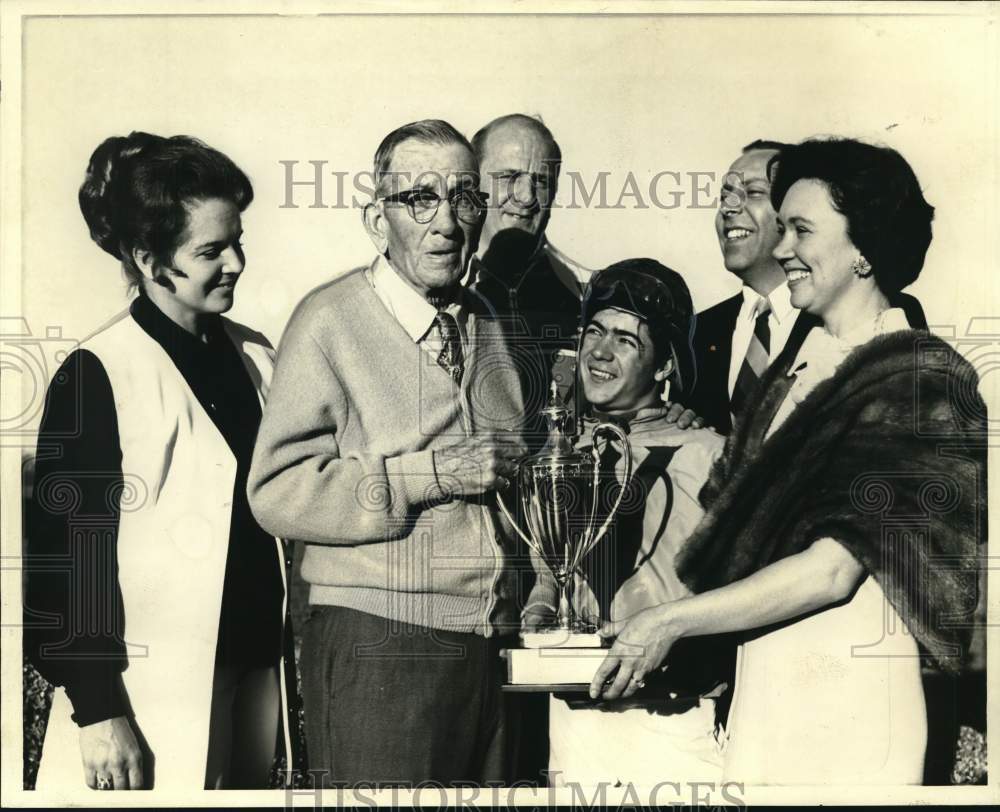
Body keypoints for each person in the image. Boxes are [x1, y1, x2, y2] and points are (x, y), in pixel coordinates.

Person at [591, 138, 987, 785]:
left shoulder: (916, 374)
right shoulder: (795, 367)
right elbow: (726, 531)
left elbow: (832, 570)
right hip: (762, 689)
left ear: (864, 248)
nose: (781, 249)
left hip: (851, 698)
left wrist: (671, 620)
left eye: (801, 229)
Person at [247, 119, 527, 786]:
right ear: (378, 220)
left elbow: (515, 479)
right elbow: (277, 491)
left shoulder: (490, 320)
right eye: (420, 198)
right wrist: (426, 475)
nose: (448, 222)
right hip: (380, 643)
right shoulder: (329, 321)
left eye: (465, 197)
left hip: (494, 646)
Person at [24, 132, 294, 791]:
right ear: (148, 258)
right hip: (149, 696)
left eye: (237, 241)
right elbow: (69, 557)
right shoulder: (97, 374)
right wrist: (99, 710)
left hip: (254, 672)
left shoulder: (257, 355)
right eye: (210, 251)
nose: (235, 262)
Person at [521, 259, 727, 786]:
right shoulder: (561, 454)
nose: (600, 352)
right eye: (593, 331)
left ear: (665, 366)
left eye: (625, 340)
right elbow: (551, 564)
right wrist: (543, 600)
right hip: (573, 719)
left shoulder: (709, 455)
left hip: (672, 723)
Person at [685, 139, 927, 435]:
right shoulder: (695, 333)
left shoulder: (894, 341)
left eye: (755, 192)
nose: (781, 250)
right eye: (724, 196)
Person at [469, 114, 591, 419]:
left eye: (541, 181)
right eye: (509, 177)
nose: (526, 198)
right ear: (471, 183)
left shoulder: (589, 296)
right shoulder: (424, 290)